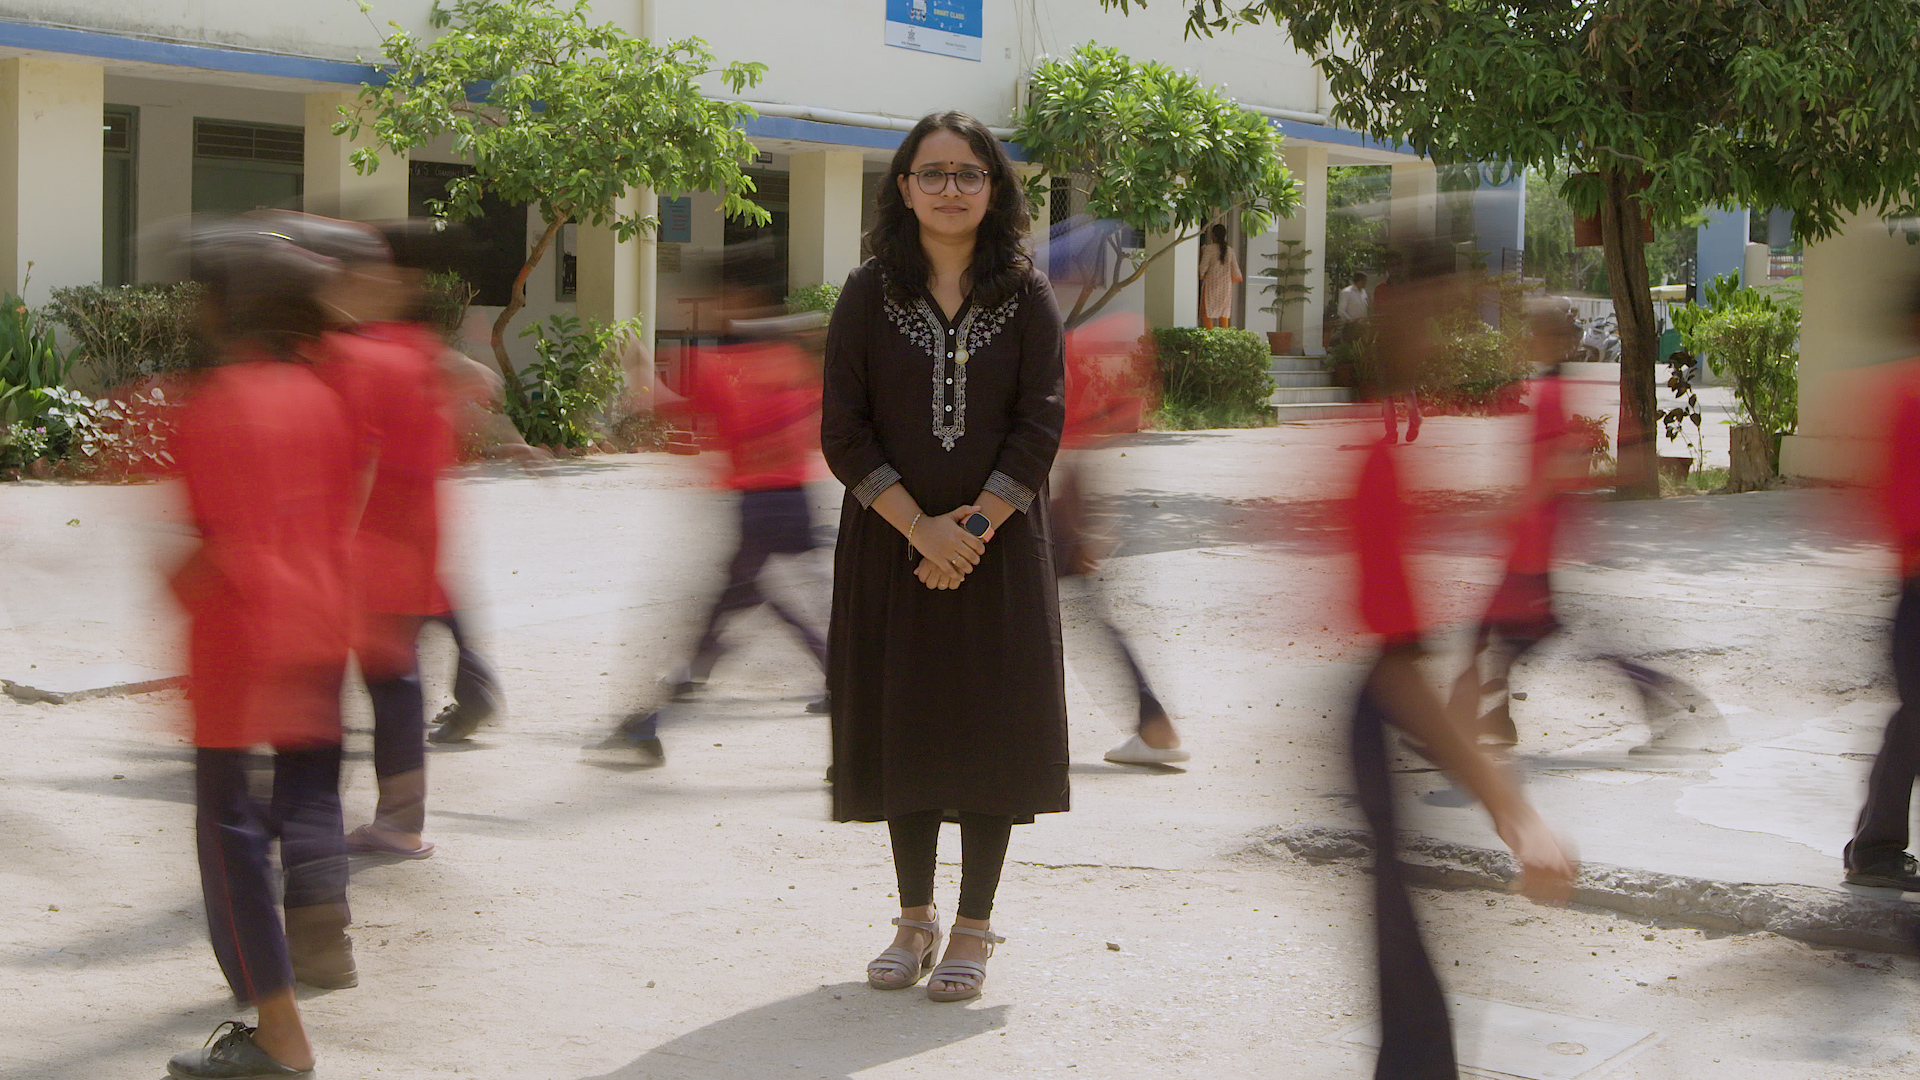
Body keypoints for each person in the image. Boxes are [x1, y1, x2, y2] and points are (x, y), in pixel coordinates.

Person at [821, 110, 1067, 1003]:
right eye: (933, 173)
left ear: (994, 188)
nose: (951, 189)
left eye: (969, 173)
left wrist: (970, 531)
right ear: (902, 186)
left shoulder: (1026, 293)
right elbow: (842, 430)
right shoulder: (865, 292)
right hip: (892, 549)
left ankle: (973, 925)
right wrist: (918, 528)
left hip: (996, 552)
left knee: (989, 732)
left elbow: (1040, 424)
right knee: (909, 725)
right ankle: (914, 916)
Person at [1345, 241, 1575, 1078]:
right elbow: (1398, 667)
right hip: (1378, 696)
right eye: (1434, 313)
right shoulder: (1375, 459)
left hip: (1383, 689)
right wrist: (1515, 814)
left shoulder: (1391, 447)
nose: (1446, 337)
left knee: (1397, 924)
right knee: (1397, 927)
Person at [164, 223, 358, 1079]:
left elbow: (218, 538)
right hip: (319, 623)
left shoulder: (215, 403)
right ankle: (319, 928)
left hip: (244, 638)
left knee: (229, 833)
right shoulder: (318, 393)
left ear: (226, 306)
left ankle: (279, 1033)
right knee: (291, 806)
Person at [611, 243, 829, 766]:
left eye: (716, 294)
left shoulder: (717, 364)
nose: (708, 304)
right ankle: (839, 678)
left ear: (737, 296)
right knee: (750, 601)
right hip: (793, 501)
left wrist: (642, 380)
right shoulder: (791, 355)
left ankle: (646, 725)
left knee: (724, 609)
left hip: (755, 506)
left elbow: (682, 417)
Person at [1047, 308, 1189, 766]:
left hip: (1053, 510)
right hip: (1065, 507)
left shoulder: (1065, 349)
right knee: (1085, 619)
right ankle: (1153, 724)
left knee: (1059, 619)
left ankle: (1153, 724)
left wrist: (1080, 526)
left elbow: (1070, 445)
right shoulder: (1089, 346)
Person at [1844, 282, 1920, 892]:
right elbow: (1900, 504)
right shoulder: (1908, 394)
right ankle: (1874, 848)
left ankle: (1875, 844)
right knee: (1915, 719)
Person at [1372, 251, 1422, 443]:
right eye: (1391, 265)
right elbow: (1376, 315)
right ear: (1387, 268)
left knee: (1406, 387)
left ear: (1401, 267)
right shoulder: (1380, 289)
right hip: (1384, 343)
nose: (1394, 268)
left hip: (1403, 345)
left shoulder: (1409, 290)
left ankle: (1414, 420)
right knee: (1386, 392)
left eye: (1397, 264)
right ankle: (1391, 432)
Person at [1196, 222, 1241, 329]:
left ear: (1213, 235)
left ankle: (1209, 335)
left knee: (1207, 312)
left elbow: (1203, 267)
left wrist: (1201, 276)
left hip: (1211, 284)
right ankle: (1223, 338)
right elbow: (1235, 271)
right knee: (1223, 313)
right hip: (1225, 285)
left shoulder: (1209, 249)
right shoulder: (1230, 250)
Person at [1335, 271, 1370, 343]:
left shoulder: (1364, 292)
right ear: (1360, 280)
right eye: (1365, 281)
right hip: (1351, 327)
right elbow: (1341, 310)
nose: (1366, 283)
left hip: (1362, 327)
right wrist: (1352, 321)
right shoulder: (1347, 292)